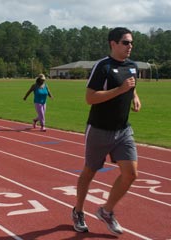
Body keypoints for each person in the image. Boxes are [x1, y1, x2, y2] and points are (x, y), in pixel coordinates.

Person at [71, 27, 141, 235]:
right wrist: (120, 90)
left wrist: (135, 96)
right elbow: (90, 98)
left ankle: (106, 211)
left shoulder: (132, 66)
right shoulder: (103, 66)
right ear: (113, 43)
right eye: (126, 42)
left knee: (131, 174)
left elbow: (132, 85)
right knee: (89, 172)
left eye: (131, 43)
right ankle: (79, 210)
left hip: (123, 130)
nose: (130, 46)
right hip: (99, 130)